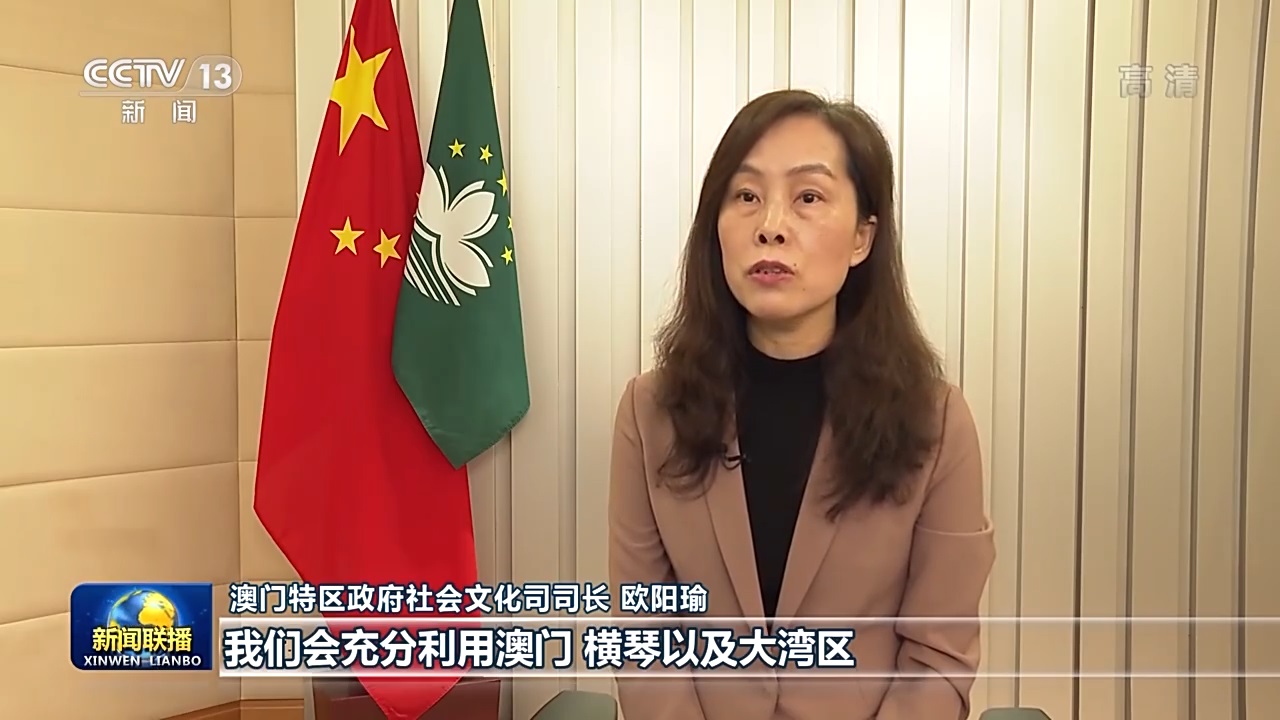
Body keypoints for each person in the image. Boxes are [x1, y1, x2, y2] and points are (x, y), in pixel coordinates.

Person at [608, 89, 996, 720]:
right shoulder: (650, 412)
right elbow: (642, 639)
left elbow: (938, 658)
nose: (771, 224)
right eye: (746, 196)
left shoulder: (937, 423)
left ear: (862, 238)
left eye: (808, 198)